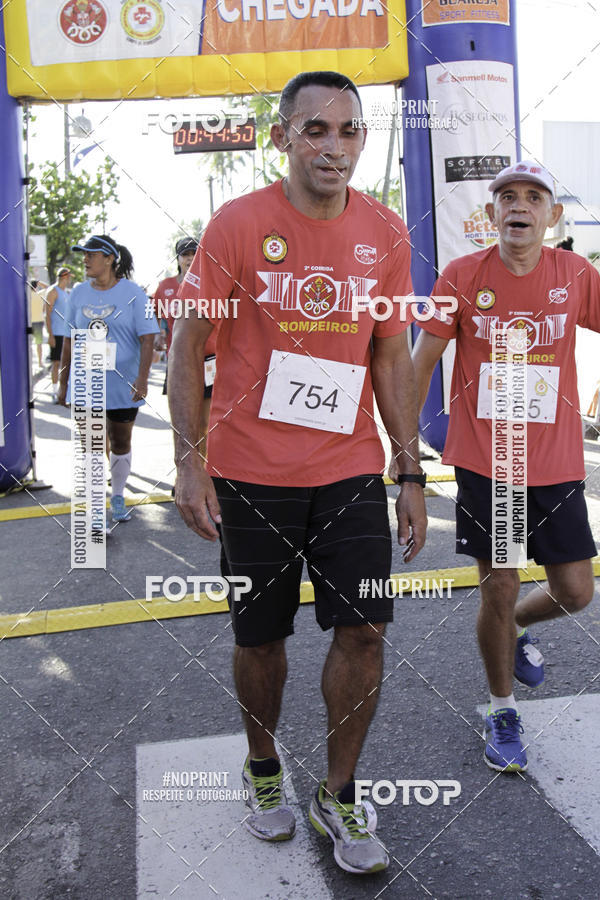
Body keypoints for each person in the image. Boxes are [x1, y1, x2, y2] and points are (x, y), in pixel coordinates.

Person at [169, 70, 427, 874]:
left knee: (365, 630)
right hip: (251, 474)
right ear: (283, 137)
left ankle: (340, 790)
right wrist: (190, 460)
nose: (334, 146)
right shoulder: (237, 226)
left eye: (350, 131)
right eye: (316, 129)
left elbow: (388, 352)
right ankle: (265, 770)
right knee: (263, 638)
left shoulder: (385, 233)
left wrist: (409, 467)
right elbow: (186, 349)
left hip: (348, 470)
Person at [413, 160, 599, 773]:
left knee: (576, 590)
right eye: (508, 198)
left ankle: (510, 626)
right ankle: (500, 708)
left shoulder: (575, 274)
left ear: (552, 215)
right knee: (501, 580)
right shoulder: (463, 276)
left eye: (533, 197)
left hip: (557, 460)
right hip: (491, 463)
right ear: (491, 214)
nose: (519, 206)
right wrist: (402, 446)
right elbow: (422, 361)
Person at [57, 235, 159, 522]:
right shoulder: (77, 293)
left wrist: (142, 379)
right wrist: (63, 383)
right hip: (85, 383)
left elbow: (148, 338)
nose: (85, 259)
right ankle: (96, 507)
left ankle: (117, 495)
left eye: (92, 254)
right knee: (91, 443)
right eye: (84, 255)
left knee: (120, 442)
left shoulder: (135, 293)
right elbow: (68, 340)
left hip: (122, 384)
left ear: (110, 258)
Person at [155, 237, 216, 465]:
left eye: (194, 253)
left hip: (210, 359)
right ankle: (183, 470)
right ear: (178, 258)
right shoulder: (165, 287)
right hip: (179, 360)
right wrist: (161, 334)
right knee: (181, 423)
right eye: (185, 254)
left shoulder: (212, 282)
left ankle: (203, 468)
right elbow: (160, 317)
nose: (190, 258)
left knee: (205, 422)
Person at [45, 267, 71, 402]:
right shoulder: (53, 291)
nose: (70, 279)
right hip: (56, 333)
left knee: (65, 364)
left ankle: (63, 391)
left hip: (66, 333)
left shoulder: (65, 293)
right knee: (56, 363)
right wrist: (50, 335)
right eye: (69, 277)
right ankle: (54, 392)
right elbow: (47, 314)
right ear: (64, 277)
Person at [28, 278, 48, 369]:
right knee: (38, 343)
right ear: (36, 286)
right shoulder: (40, 295)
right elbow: (48, 287)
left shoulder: (27, 297)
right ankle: (40, 362)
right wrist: (39, 282)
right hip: (39, 322)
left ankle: (30, 363)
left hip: (28, 322)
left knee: (28, 343)